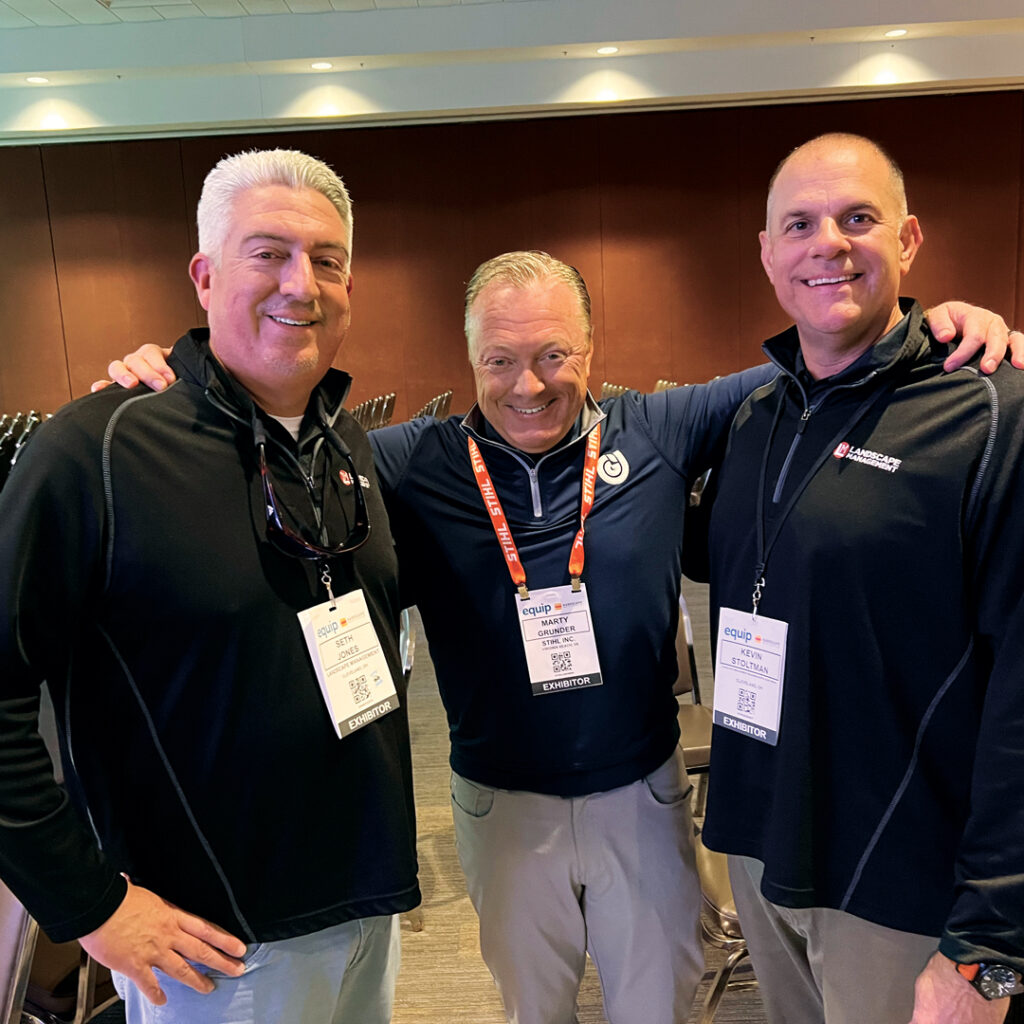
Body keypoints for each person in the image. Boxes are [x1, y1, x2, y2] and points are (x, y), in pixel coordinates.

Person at [103, 246, 1018, 1023]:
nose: (528, 385)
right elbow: (257, 442)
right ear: (468, 359)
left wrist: (932, 319)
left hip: (643, 795)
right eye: (499, 361)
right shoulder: (405, 461)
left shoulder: (658, 428)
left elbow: (830, 352)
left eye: (552, 356)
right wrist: (175, 380)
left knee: (658, 999)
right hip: (501, 809)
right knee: (532, 1007)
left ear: (591, 349)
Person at [0, 149, 419, 1024]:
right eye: (267, 253)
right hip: (214, 948)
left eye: (327, 259)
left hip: (361, 904)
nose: (300, 284)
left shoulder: (343, 446)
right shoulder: (96, 453)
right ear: (203, 274)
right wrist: (90, 906)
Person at [701, 132, 1024, 1024]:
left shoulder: (992, 414)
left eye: (858, 218)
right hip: (765, 854)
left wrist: (989, 950)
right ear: (767, 254)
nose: (827, 244)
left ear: (909, 239)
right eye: (798, 224)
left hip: (904, 888)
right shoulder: (757, 416)